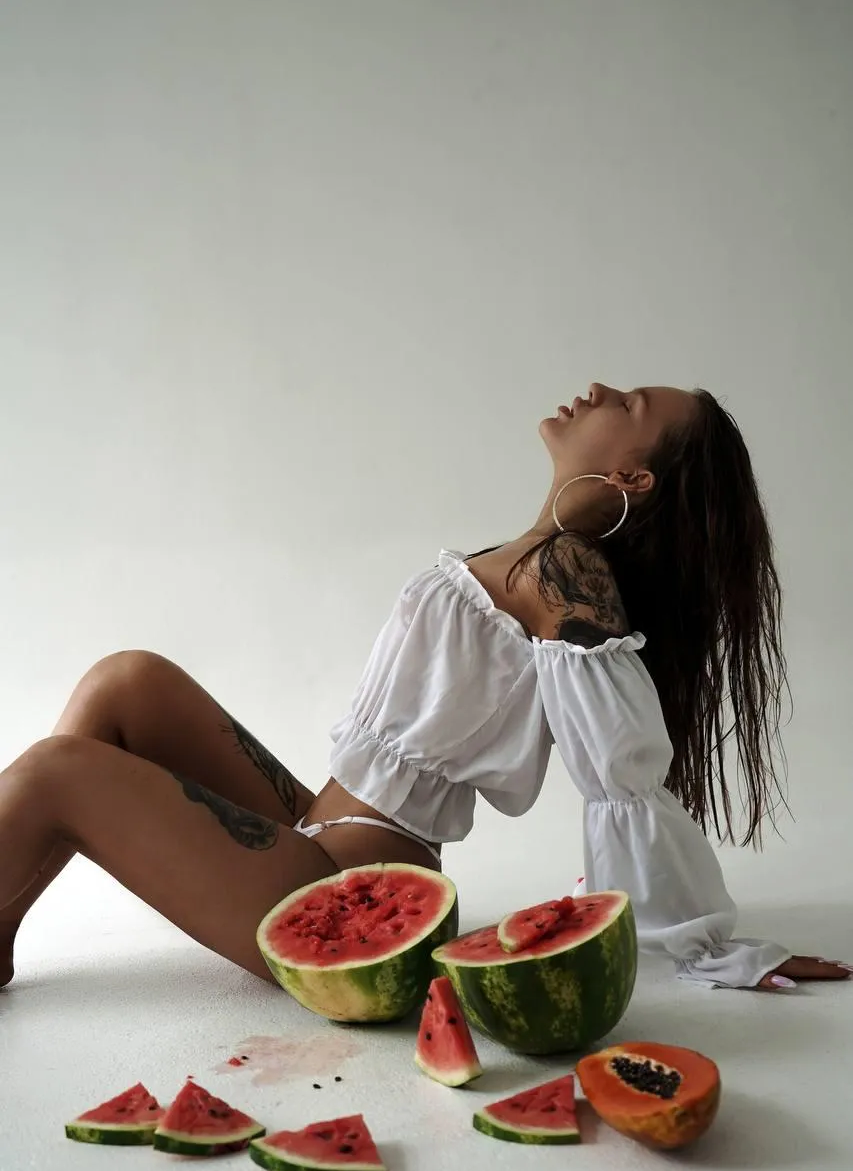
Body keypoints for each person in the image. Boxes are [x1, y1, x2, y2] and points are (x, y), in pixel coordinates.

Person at [1, 383, 848, 993]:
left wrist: (703, 946)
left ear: (632, 478)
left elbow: (620, 773)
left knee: (54, 770)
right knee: (128, 680)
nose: (599, 390)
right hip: (321, 826)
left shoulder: (565, 570)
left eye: (626, 405)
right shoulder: (535, 555)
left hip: (350, 891)